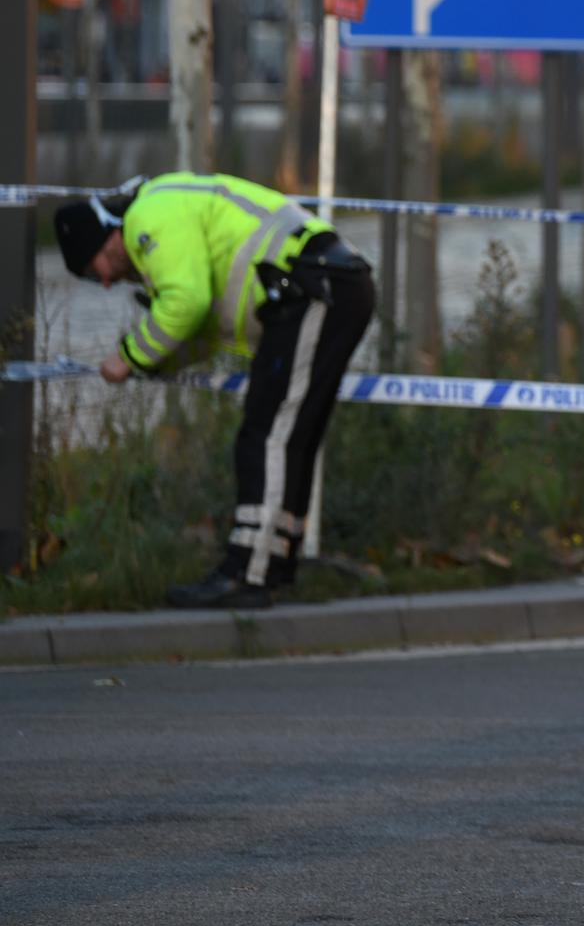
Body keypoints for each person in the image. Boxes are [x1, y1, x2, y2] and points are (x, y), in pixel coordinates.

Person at [53, 173, 377, 608]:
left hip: (311, 288)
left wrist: (127, 358)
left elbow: (186, 304)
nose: (108, 284)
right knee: (290, 436)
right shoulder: (167, 212)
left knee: (267, 436)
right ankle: (275, 564)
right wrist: (159, 361)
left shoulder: (147, 218)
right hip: (321, 285)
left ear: (107, 239)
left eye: (96, 273)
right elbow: (203, 332)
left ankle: (248, 573)